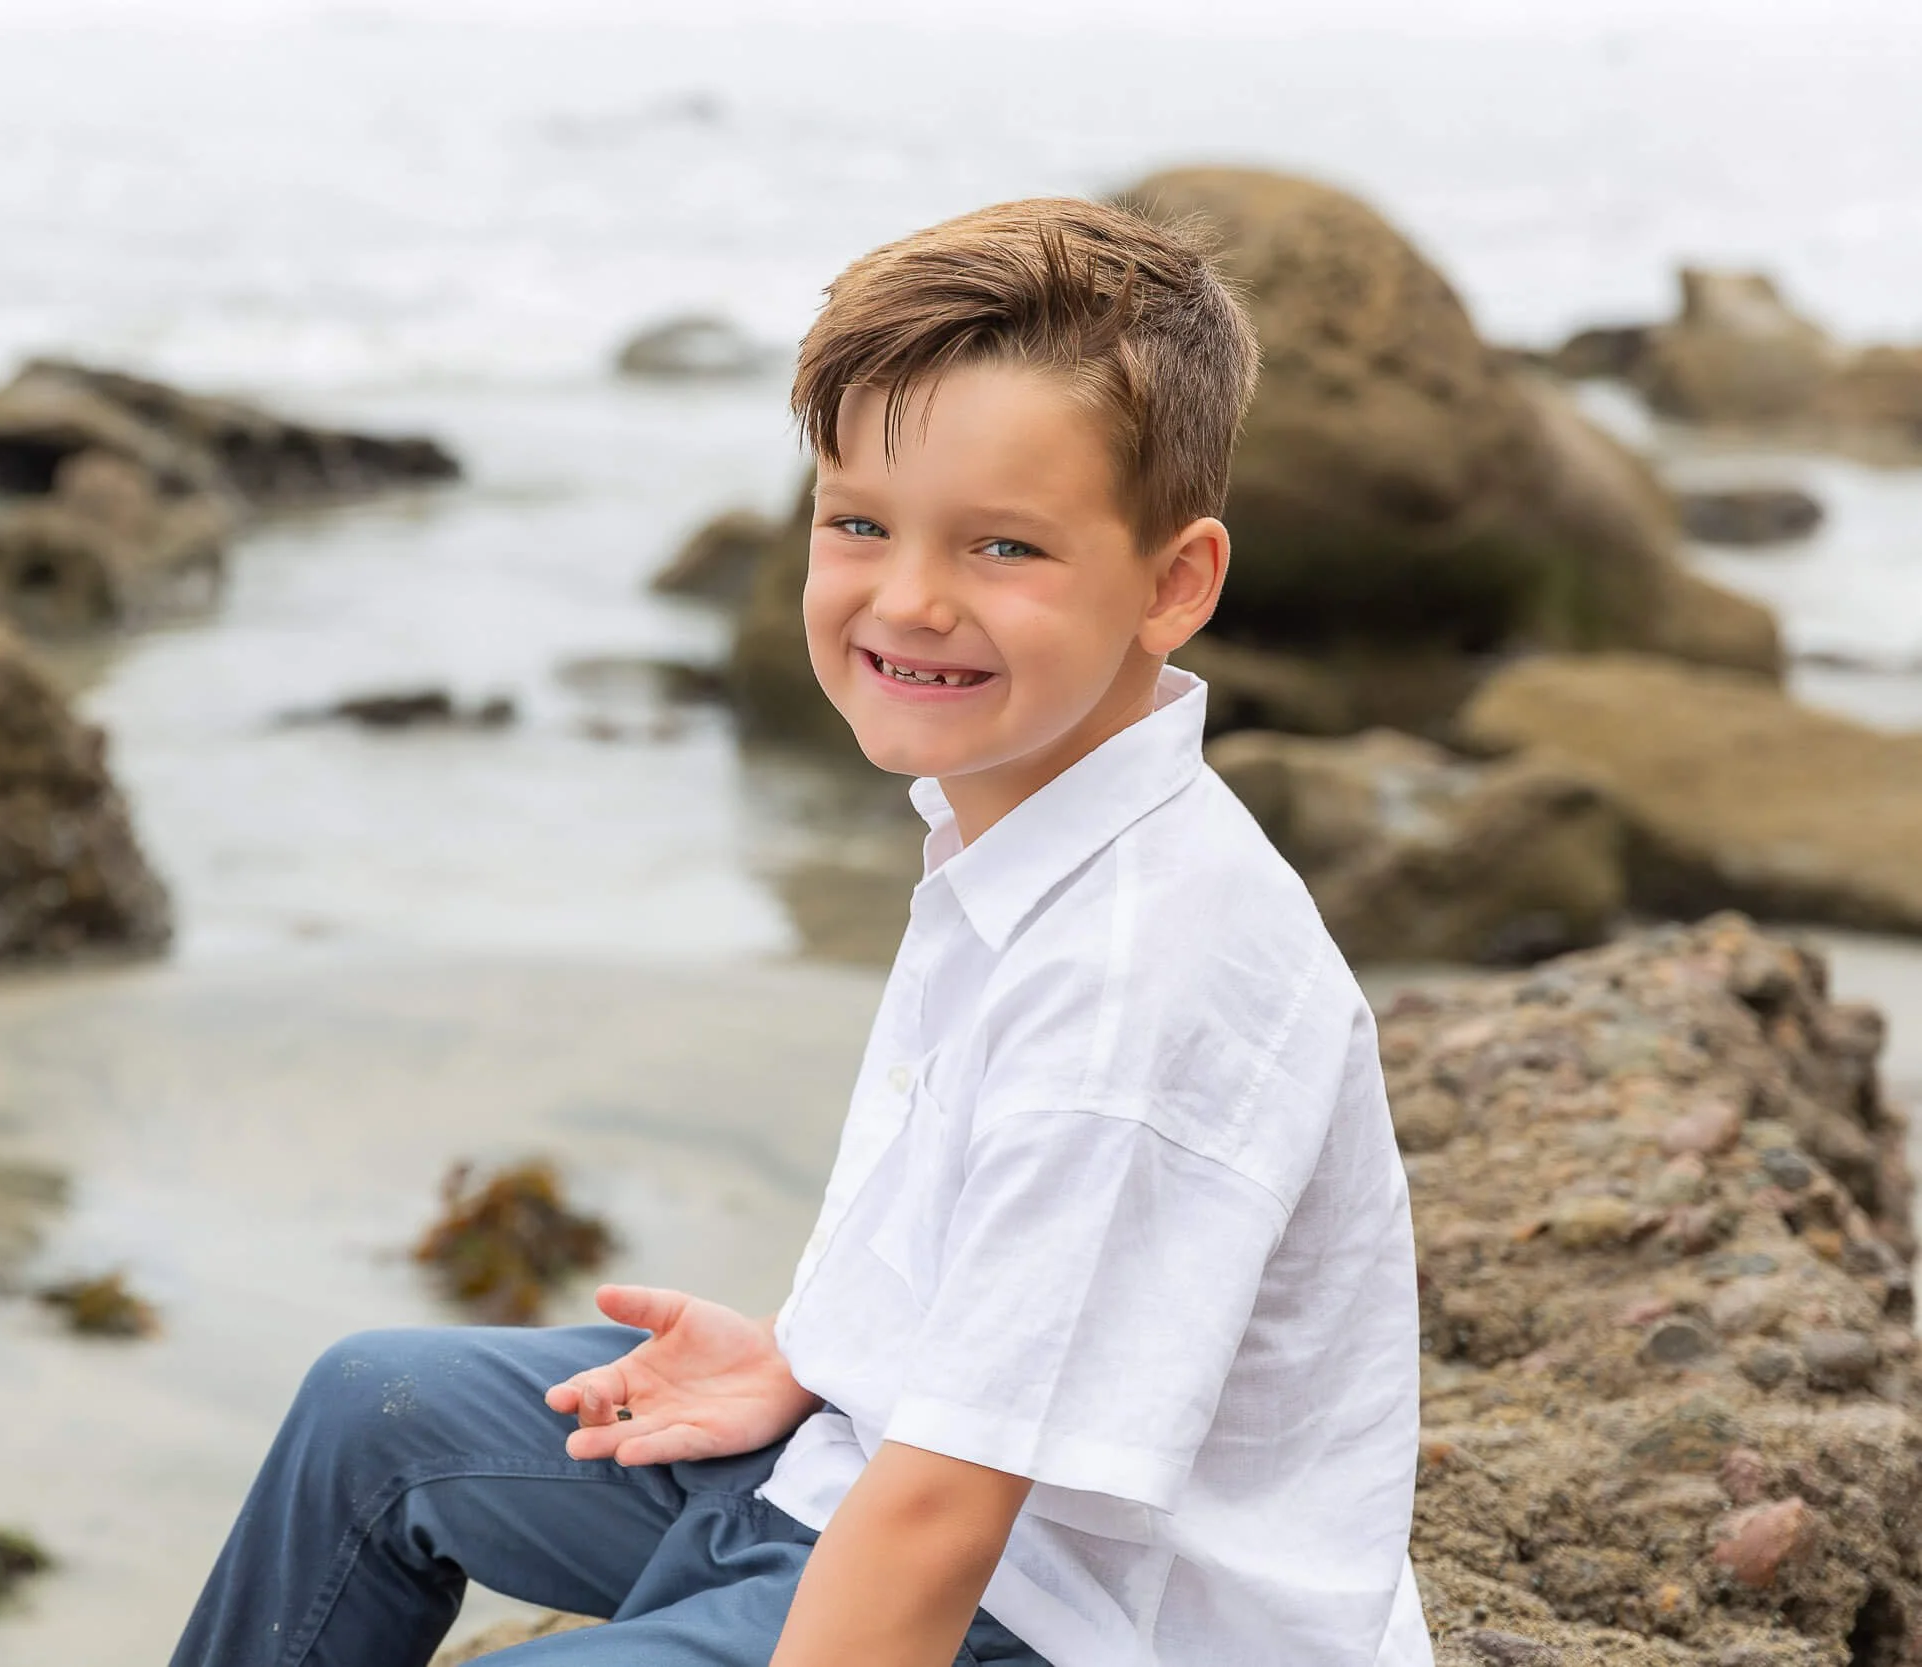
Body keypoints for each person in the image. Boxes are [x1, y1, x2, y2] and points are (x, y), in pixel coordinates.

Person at [168, 197, 1430, 1667]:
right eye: (860, 524)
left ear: (1173, 584)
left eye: (1003, 545)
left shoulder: (1137, 971)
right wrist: (818, 1362)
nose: (910, 599)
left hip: (1054, 1614)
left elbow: (947, 1513)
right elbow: (1006, 1295)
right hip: (869, 1474)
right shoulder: (1019, 818)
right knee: (369, 1409)